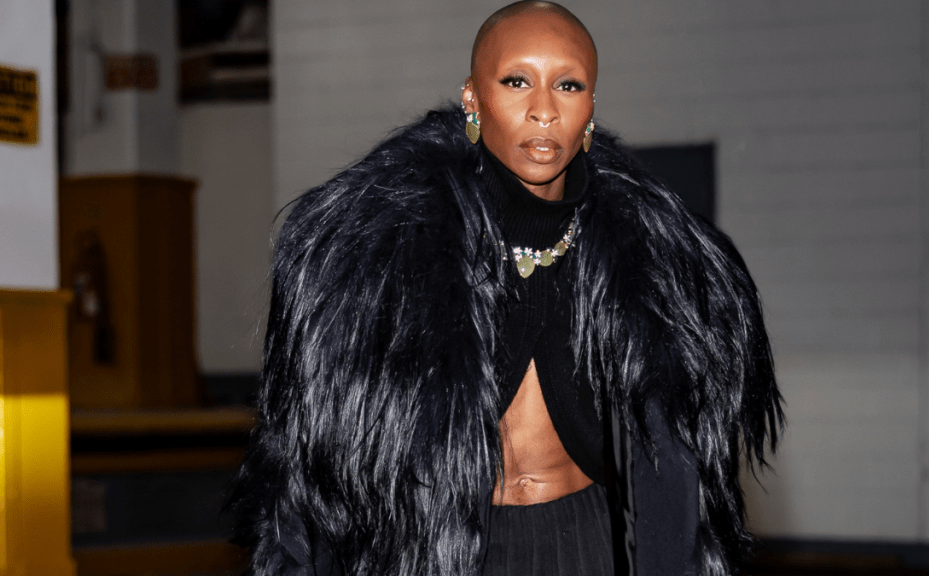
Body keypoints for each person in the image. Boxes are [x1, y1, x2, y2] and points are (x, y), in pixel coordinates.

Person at [230, 2, 783, 576]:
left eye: (568, 85)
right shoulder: (387, 260)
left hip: (589, 544)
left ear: (590, 109)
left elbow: (670, 473)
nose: (544, 109)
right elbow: (317, 463)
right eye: (517, 81)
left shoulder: (648, 265)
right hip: (445, 551)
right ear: (473, 98)